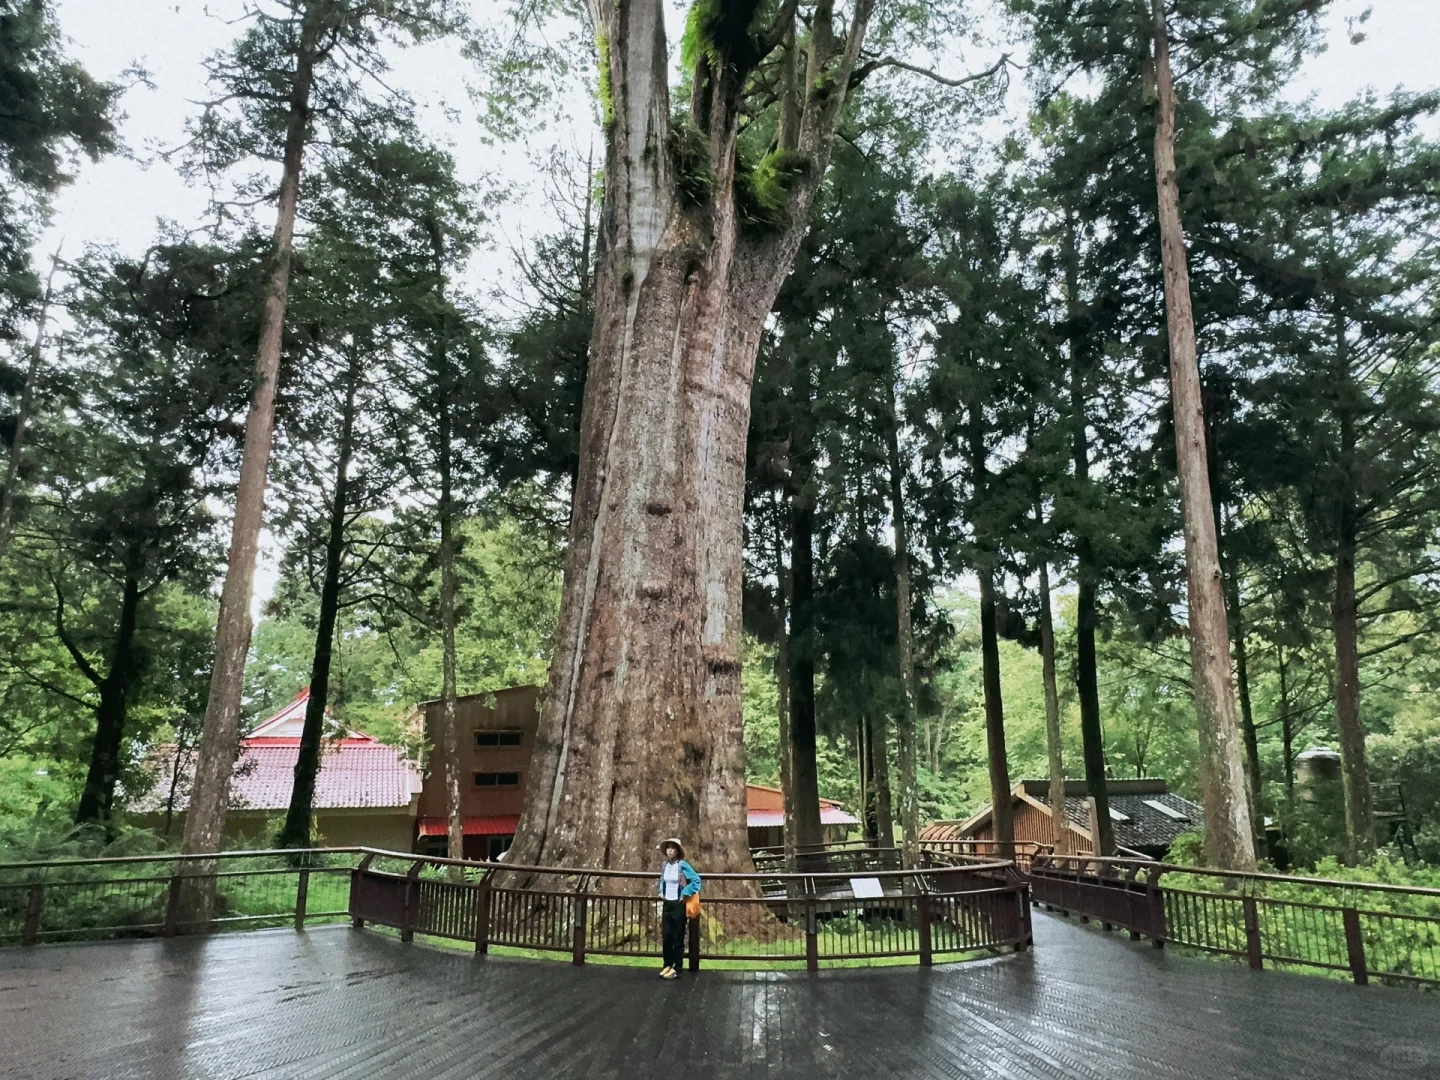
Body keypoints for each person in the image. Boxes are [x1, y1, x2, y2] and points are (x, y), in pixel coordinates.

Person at [657, 837, 701, 979]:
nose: (670, 850)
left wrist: (685, 893)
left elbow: (696, 880)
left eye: (673, 848)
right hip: (667, 903)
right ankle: (667, 964)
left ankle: (678, 966)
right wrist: (661, 891)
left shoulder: (682, 865)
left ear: (677, 851)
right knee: (667, 935)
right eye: (668, 848)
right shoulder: (665, 865)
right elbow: (662, 880)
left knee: (678, 936)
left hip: (678, 903)